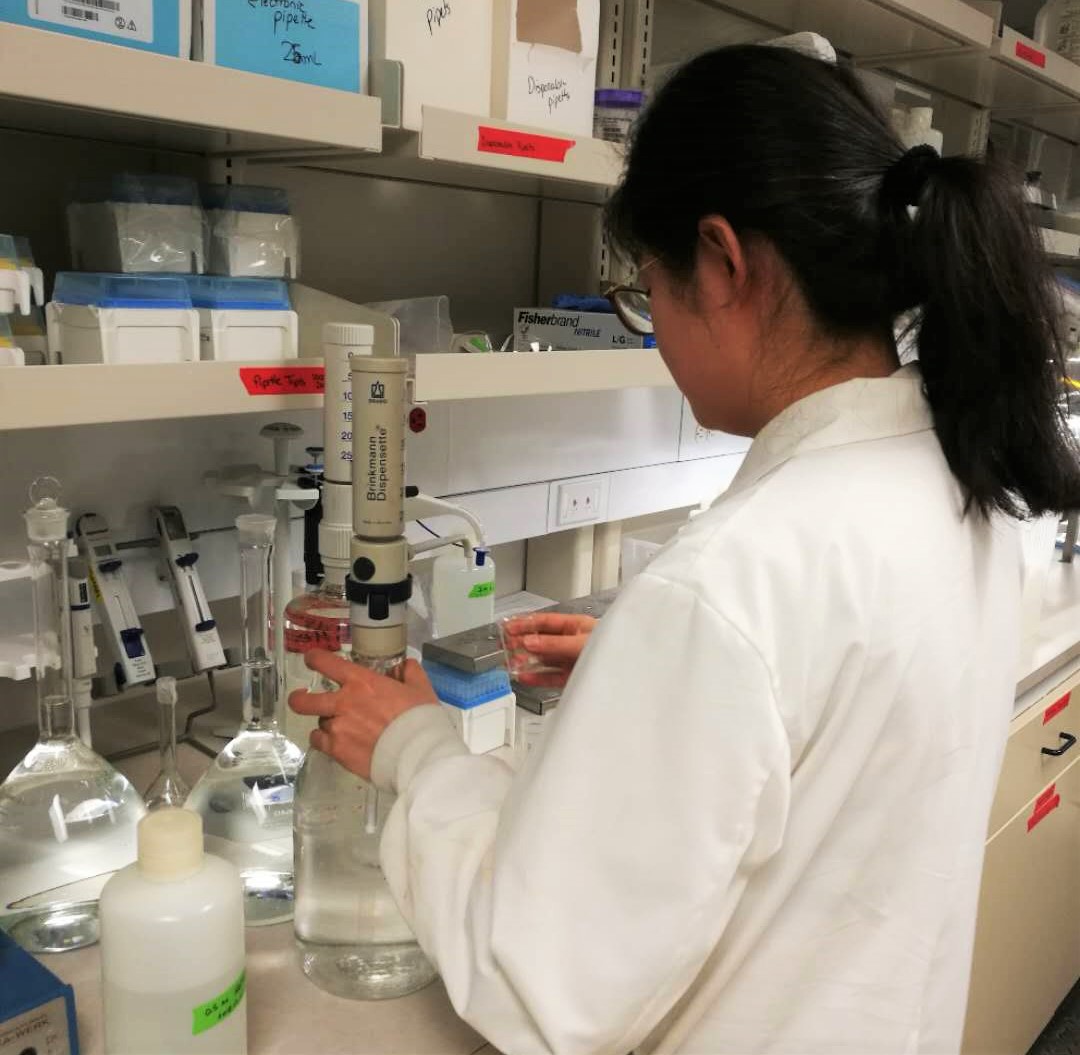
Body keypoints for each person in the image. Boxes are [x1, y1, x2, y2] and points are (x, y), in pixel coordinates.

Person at [289, 42, 1080, 1055]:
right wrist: (645, 674)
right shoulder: (951, 481)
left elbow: (543, 989)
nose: (651, 330)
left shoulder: (733, 586)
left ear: (723, 260)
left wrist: (415, 747)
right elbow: (830, 735)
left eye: (646, 289)